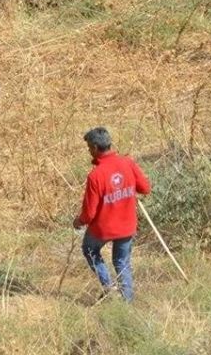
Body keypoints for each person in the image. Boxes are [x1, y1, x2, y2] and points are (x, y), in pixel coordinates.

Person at [74, 127, 151, 302]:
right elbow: (145, 188)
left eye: (88, 148)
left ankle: (108, 287)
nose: (88, 152)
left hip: (103, 229)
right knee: (122, 262)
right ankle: (127, 302)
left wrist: (78, 221)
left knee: (89, 249)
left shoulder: (96, 176)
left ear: (94, 147)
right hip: (127, 226)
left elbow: (89, 214)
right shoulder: (127, 163)